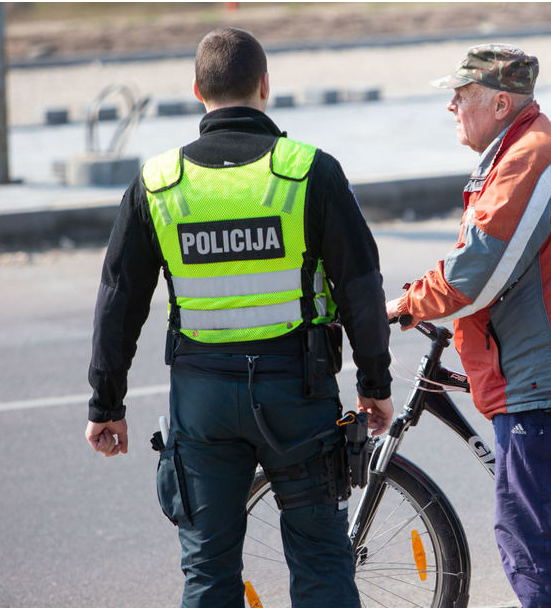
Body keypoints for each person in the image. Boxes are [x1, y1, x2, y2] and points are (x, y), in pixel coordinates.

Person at [84, 27, 392, 608]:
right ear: (265, 86)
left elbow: (119, 301)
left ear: (198, 90)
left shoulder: (159, 184)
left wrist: (106, 405)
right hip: (297, 394)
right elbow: (361, 286)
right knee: (322, 560)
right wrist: (374, 385)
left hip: (201, 401)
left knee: (208, 570)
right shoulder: (309, 171)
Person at [386, 44, 551, 608]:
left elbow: (474, 274)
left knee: (532, 538)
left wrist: (406, 304)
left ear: (497, 102)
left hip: (544, 377)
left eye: (460, 96)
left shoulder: (527, 158)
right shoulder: (528, 145)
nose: (452, 108)